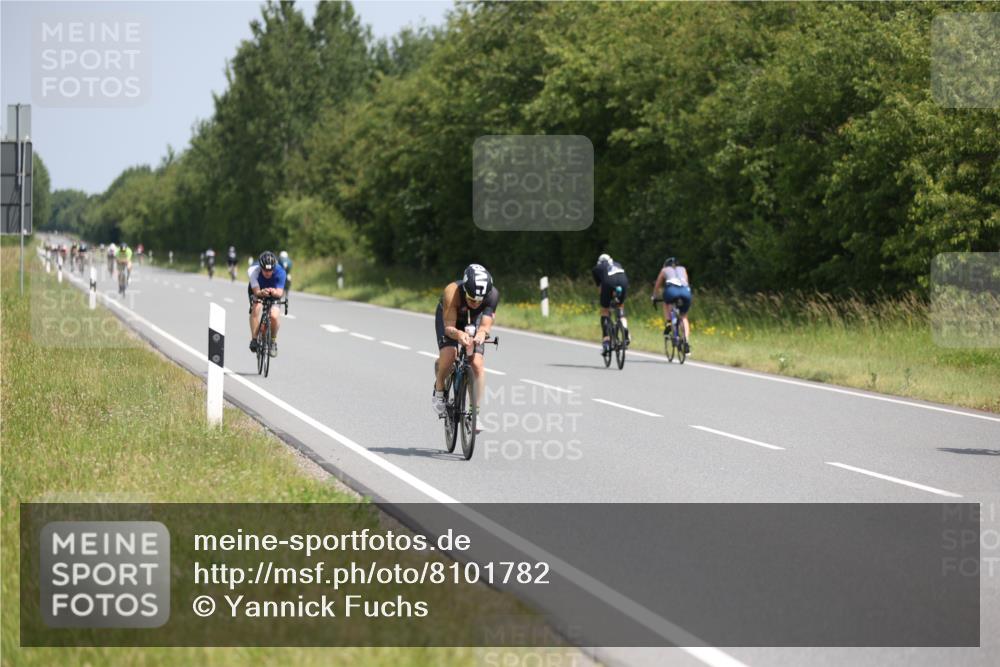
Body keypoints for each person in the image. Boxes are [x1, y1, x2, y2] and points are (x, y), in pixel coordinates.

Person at [432, 264, 499, 416]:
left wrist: (482, 334)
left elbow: (485, 326)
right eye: (471, 299)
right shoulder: (452, 291)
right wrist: (459, 335)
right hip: (451, 319)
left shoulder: (493, 295)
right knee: (450, 354)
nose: (475, 303)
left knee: (477, 363)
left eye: (479, 301)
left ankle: (474, 412)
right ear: (465, 291)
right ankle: (439, 389)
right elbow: (449, 328)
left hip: (473, 320)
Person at [247, 251, 287, 358]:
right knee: (257, 307)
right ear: (260, 267)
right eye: (265, 270)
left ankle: (273, 342)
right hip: (259, 289)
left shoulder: (281, 272)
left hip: (274, 292)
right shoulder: (253, 271)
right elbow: (256, 292)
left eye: (270, 270)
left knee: (274, 315)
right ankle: (254, 339)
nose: (268, 273)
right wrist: (260, 293)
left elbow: (280, 293)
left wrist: (274, 292)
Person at [652, 256, 692, 354]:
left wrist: (654, 296)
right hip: (685, 291)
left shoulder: (664, 269)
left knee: (666, 303)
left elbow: (658, 284)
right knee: (683, 316)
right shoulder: (683, 269)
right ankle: (686, 340)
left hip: (671, 290)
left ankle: (669, 322)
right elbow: (686, 282)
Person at [592, 253, 630, 352]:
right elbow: (617, 279)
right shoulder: (617, 264)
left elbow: (601, 289)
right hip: (623, 281)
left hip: (608, 282)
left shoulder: (597, 268)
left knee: (604, 310)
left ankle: (606, 341)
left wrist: (604, 301)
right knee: (620, 306)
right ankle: (625, 330)